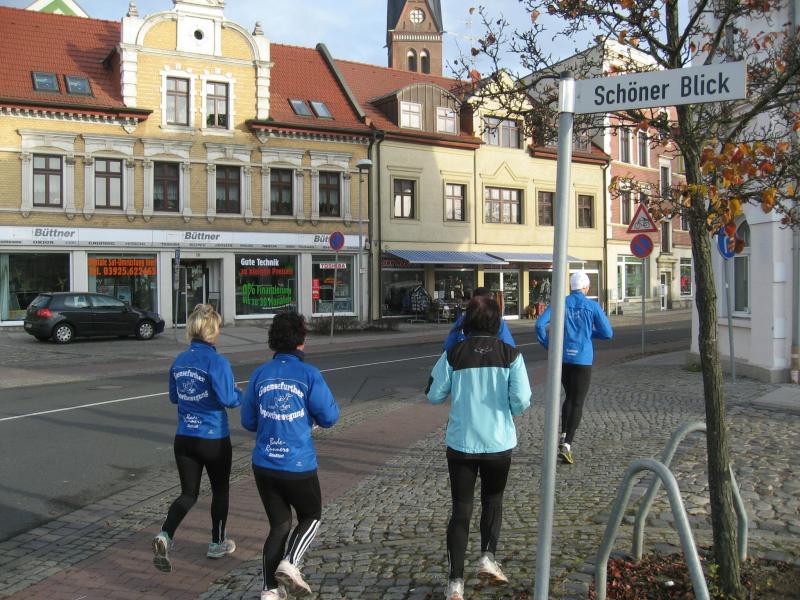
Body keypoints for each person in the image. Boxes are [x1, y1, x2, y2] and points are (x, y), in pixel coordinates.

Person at [426, 296, 532, 600]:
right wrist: (509, 410)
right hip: (498, 442)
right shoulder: (511, 355)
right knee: (493, 500)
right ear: (497, 322)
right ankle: (487, 556)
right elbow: (522, 400)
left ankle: (455, 583)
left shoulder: (453, 354)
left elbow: (433, 394)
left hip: (461, 443)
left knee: (461, 509)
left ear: (466, 322)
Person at [241, 312, 339, 600]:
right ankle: (290, 562)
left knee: (279, 525)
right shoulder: (309, 375)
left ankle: (269, 590)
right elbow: (329, 416)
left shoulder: (259, 374)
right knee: (311, 514)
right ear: (301, 340)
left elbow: (248, 421)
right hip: (297, 464)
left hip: (264, 464)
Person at [153, 304, 242, 573]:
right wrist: (239, 394)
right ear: (212, 331)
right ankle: (217, 542)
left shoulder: (179, 360)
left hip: (184, 438)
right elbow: (228, 399)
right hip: (213, 437)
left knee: (188, 493)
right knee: (220, 490)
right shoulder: (217, 362)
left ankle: (165, 534)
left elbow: (174, 397)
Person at [535, 271, 613, 465]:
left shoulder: (560, 303)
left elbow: (539, 325)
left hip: (563, 358)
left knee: (569, 396)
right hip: (582, 359)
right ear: (585, 288)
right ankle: (567, 444)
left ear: (571, 286)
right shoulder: (592, 306)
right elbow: (607, 333)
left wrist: (549, 346)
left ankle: (563, 434)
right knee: (577, 401)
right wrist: (590, 334)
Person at [443, 287, 515, 351]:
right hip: (493, 359)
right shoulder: (498, 321)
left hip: (465, 359)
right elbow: (510, 347)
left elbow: (447, 348)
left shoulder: (462, 321)